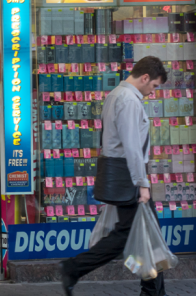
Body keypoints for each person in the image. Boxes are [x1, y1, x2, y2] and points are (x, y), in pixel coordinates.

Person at [59, 56, 168, 296]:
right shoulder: (128, 100)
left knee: (149, 235)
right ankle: (74, 267)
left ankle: (153, 292)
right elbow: (131, 146)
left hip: (120, 175)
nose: (153, 92)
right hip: (128, 177)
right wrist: (142, 183)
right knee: (128, 235)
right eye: (154, 86)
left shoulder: (116, 95)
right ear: (145, 77)